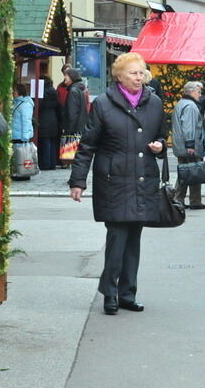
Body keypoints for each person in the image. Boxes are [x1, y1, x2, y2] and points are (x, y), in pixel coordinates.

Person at [68, 53, 167, 315]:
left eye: (142, 72)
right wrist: (78, 181)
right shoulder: (103, 104)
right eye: (133, 72)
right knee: (117, 238)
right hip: (114, 180)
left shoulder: (154, 102)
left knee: (133, 240)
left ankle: (127, 293)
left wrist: (160, 146)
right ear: (119, 76)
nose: (139, 77)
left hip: (143, 179)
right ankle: (109, 292)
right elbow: (88, 145)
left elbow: (161, 136)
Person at [172, 81, 205, 210]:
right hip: (189, 145)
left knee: (185, 172)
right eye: (198, 92)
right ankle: (193, 200)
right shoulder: (191, 106)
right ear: (191, 92)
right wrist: (190, 145)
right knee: (194, 172)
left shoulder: (181, 103)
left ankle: (179, 199)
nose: (200, 95)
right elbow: (188, 127)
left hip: (180, 145)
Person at [61, 68, 90, 167]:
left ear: (72, 77)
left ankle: (75, 178)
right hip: (80, 127)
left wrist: (69, 130)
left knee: (72, 157)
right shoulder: (79, 89)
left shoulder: (73, 91)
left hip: (74, 129)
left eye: (66, 76)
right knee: (77, 156)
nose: (65, 78)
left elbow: (72, 113)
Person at [36, 76, 61, 171]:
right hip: (53, 118)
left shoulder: (43, 92)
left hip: (44, 118)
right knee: (52, 142)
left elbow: (40, 105)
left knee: (45, 142)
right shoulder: (53, 91)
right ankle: (52, 164)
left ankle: (45, 164)